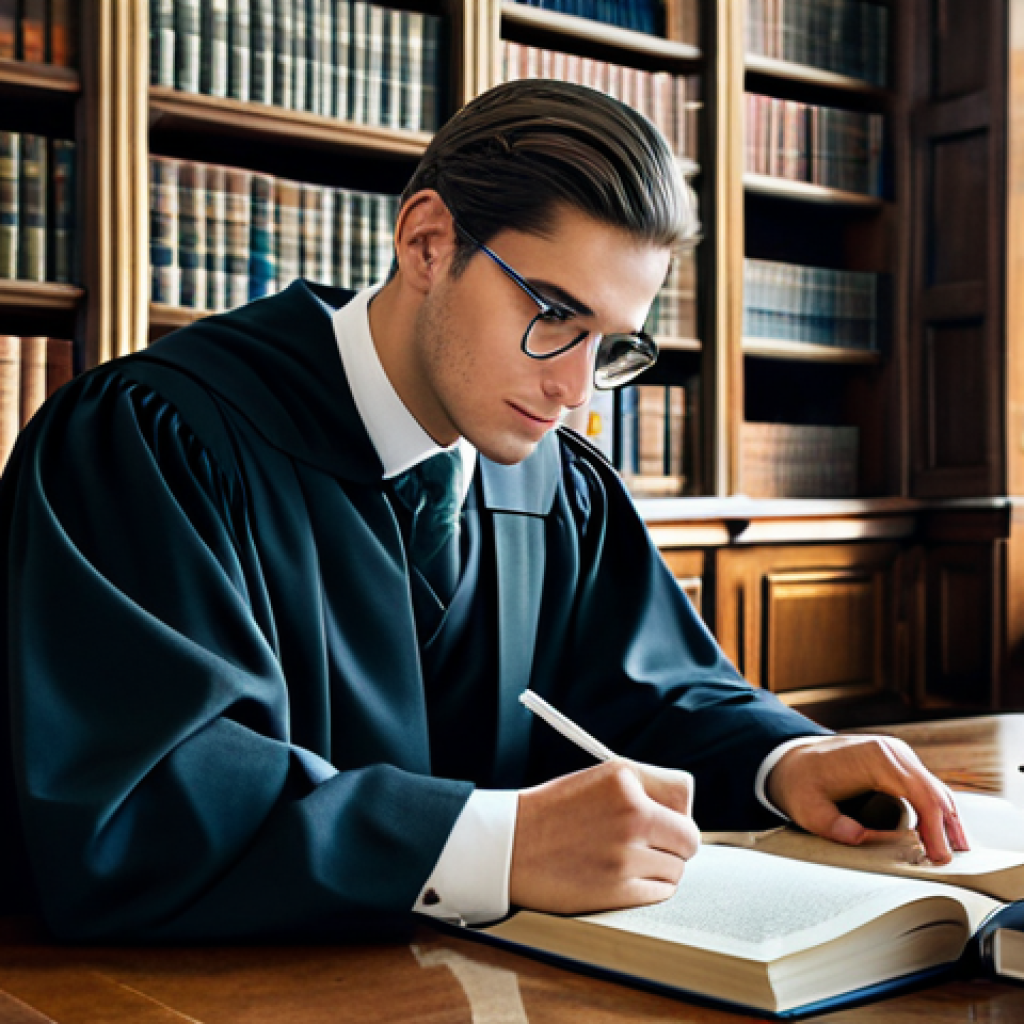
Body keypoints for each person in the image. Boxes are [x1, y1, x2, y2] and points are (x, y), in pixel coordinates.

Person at [0, 79, 967, 942]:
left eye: (611, 344)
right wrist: (500, 845)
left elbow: (651, 692)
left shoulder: (554, 480)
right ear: (428, 242)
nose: (577, 390)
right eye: (553, 315)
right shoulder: (152, 439)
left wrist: (786, 758)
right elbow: (142, 797)